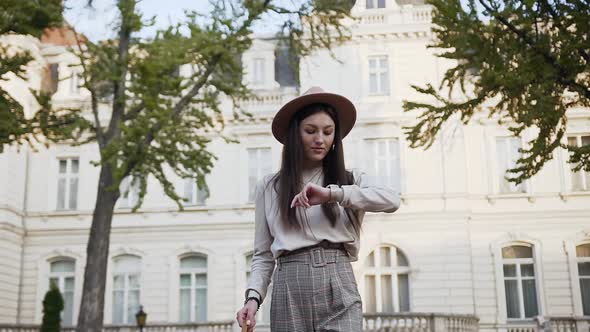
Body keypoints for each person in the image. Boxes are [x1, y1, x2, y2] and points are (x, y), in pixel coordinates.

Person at [236, 86, 400, 332]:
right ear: (295, 134)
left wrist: (333, 194)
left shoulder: (350, 179)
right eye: (310, 131)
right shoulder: (269, 187)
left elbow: (392, 200)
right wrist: (253, 297)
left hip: (338, 276)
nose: (320, 139)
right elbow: (263, 254)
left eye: (328, 131)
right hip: (289, 282)